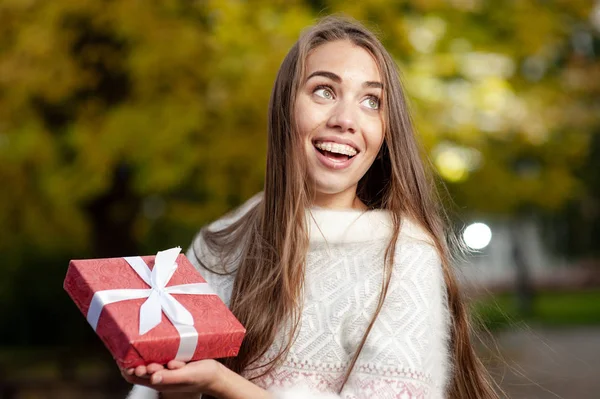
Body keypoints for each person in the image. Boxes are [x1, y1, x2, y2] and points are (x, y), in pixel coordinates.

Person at [122, 15, 498, 399]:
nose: (346, 120)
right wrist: (173, 386)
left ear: (386, 133)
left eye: (371, 101)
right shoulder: (220, 244)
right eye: (324, 91)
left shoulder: (402, 255)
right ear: (285, 107)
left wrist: (220, 383)